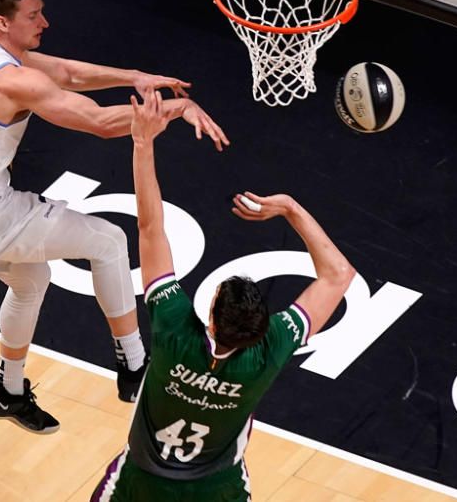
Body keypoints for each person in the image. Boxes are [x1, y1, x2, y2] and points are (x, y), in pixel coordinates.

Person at [0, 0, 229, 434]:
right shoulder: (13, 82)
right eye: (33, 15)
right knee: (108, 241)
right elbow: (101, 123)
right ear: (4, 22)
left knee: (30, 280)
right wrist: (175, 109)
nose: (45, 21)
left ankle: (9, 389)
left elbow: (65, 73)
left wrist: (137, 78)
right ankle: (134, 367)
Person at [92, 90, 355, 501]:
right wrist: (290, 208)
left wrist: (142, 143)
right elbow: (338, 275)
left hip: (138, 486)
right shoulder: (272, 346)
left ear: (210, 318)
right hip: (218, 492)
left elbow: (149, 228)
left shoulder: (175, 323)